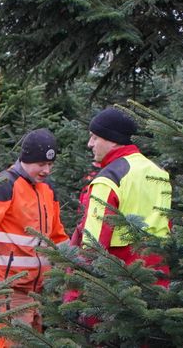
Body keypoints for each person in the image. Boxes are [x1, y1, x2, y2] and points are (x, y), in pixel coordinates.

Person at [0, 128, 69, 344]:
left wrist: (75, 270)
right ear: (26, 159)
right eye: (41, 164)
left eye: (50, 165)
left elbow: (57, 237)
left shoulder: (48, 190)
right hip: (9, 290)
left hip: (39, 292)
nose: (46, 170)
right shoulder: (4, 185)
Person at [72, 106, 172, 282]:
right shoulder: (159, 173)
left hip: (119, 282)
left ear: (113, 140)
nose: (90, 143)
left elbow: (94, 245)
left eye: (95, 137)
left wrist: (75, 294)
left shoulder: (109, 178)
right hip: (158, 277)